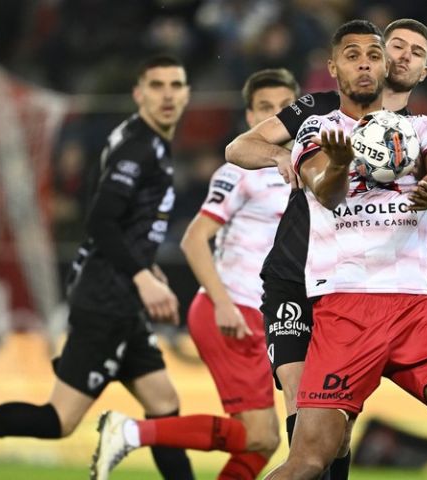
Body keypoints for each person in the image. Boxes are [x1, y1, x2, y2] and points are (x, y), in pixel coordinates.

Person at [224, 17, 427, 479]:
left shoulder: (423, 128)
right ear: (333, 67)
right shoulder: (318, 123)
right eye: (359, 55)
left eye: (374, 55)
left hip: (415, 309)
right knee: (312, 457)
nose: (375, 62)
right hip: (337, 302)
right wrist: (335, 162)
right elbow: (324, 190)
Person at [0, 55, 195, 480]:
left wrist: (146, 268)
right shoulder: (138, 148)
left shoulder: (144, 140)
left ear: (187, 93)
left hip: (122, 298)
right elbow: (101, 220)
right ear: (139, 93)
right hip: (108, 301)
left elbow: (124, 224)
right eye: (156, 86)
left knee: (164, 406)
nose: (167, 95)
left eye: (175, 85)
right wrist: (142, 276)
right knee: (59, 420)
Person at [90, 69, 299, 480]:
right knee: (261, 435)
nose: (275, 115)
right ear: (249, 117)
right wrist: (223, 304)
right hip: (233, 310)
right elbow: (193, 240)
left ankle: (133, 431)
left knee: (264, 440)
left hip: (274, 315)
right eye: (264, 108)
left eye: (284, 108)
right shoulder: (240, 172)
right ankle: (131, 431)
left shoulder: (308, 168)